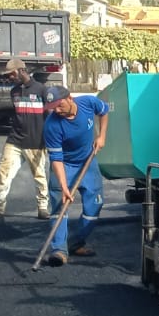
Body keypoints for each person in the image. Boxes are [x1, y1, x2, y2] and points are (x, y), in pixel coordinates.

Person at [42, 85, 109, 267]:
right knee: (59, 207)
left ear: (70, 98)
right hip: (64, 165)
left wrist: (101, 136)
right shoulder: (52, 125)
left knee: (95, 205)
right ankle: (59, 250)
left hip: (88, 162)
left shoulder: (88, 102)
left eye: (59, 105)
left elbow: (104, 111)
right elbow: (56, 159)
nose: (56, 110)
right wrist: (64, 186)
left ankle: (76, 242)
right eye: (52, 107)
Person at [0, 58, 50, 220]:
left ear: (22, 71)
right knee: (3, 173)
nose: (9, 77)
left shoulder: (41, 90)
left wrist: (48, 140)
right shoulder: (14, 92)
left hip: (35, 142)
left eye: (11, 74)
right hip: (14, 140)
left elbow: (50, 117)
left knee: (39, 176)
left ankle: (42, 208)